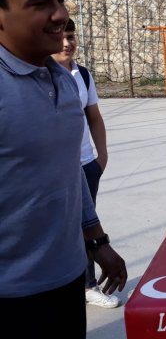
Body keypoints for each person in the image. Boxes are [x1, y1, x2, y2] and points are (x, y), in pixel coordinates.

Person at [0, 0, 127, 337]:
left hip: (66, 278)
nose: (60, 15)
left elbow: (68, 172)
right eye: (40, 3)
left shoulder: (64, 82)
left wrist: (95, 238)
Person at [52, 18, 119, 309]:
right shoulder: (43, 74)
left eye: (71, 36)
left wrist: (100, 155)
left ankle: (88, 284)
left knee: (86, 225)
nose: (68, 43)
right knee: (61, 227)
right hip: (56, 168)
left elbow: (94, 116)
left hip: (85, 164)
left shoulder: (83, 75)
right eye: (62, 37)